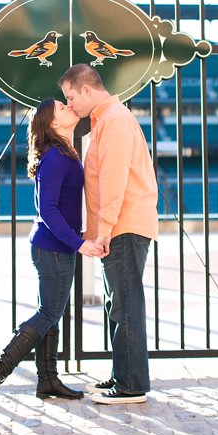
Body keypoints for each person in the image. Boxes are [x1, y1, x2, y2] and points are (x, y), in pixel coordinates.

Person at [0, 98, 105, 405]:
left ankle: (47, 380)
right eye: (63, 108)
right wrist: (80, 243)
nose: (69, 109)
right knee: (49, 312)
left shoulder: (63, 152)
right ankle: (0, 366)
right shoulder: (56, 158)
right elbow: (47, 210)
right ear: (52, 123)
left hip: (54, 247)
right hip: (53, 248)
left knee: (52, 314)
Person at [58, 63, 159, 405]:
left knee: (125, 304)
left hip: (123, 226)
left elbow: (114, 181)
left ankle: (131, 385)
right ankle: (123, 375)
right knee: (119, 302)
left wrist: (103, 231)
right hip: (120, 225)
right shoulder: (107, 120)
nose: (70, 105)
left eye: (70, 97)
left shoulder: (114, 120)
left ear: (87, 89)